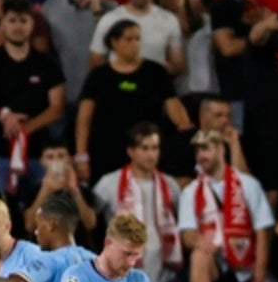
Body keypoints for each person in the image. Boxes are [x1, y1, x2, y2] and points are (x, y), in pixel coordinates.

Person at [75, 19, 191, 183]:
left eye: (137, 39)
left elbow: (173, 106)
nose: (135, 44)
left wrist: (185, 130)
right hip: (107, 149)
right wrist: (81, 154)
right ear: (114, 42)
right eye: (128, 39)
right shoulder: (99, 75)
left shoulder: (155, 72)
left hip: (146, 149)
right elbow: (84, 117)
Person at [0, 0, 66, 197]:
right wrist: (4, 116)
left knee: (44, 211)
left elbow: (57, 106)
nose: (18, 27)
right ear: (2, 23)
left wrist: (27, 128)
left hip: (39, 152)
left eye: (23, 21)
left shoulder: (47, 63)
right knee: (0, 209)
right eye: (12, 20)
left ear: (32, 24)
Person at [178, 129, 274, 282]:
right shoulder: (191, 191)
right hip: (216, 265)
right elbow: (187, 234)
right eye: (197, 151)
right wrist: (202, 242)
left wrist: (259, 278)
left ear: (221, 149)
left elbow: (262, 232)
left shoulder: (248, 184)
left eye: (205, 149)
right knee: (198, 256)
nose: (201, 155)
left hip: (246, 266)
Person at [92, 121, 182, 282]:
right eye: (145, 148)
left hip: (165, 278)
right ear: (131, 151)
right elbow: (89, 221)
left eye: (155, 148)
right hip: (123, 277)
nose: (151, 154)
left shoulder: (171, 185)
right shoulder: (109, 183)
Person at [87, 0, 183, 75]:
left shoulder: (169, 20)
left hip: (154, 88)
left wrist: (154, 74)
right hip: (118, 88)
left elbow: (177, 65)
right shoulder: (110, 20)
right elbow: (95, 62)